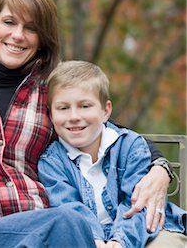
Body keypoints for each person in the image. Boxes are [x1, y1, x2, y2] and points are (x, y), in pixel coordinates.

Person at [0, 0, 174, 247]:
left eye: (31, 28)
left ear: (42, 39)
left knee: (67, 223)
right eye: (9, 22)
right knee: (69, 222)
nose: (17, 35)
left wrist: (160, 169)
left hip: (43, 222)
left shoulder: (50, 88)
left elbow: (110, 131)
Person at [38, 60, 187, 248]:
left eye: (85, 106)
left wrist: (120, 241)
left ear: (106, 110)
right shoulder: (51, 162)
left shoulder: (130, 147)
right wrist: (94, 241)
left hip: (144, 231)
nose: (74, 116)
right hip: (85, 240)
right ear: (51, 115)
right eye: (63, 108)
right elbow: (69, 209)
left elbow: (138, 204)